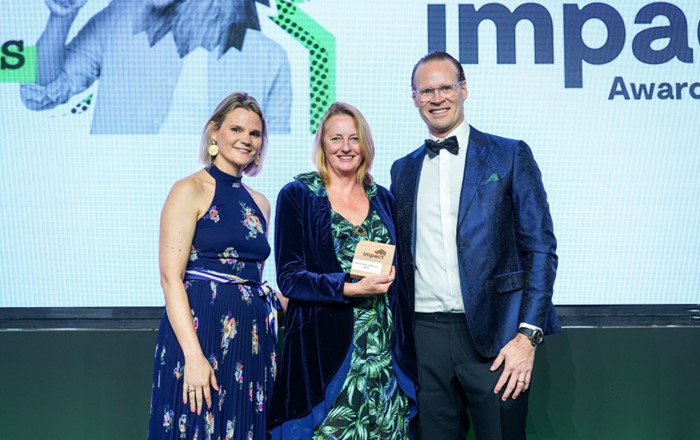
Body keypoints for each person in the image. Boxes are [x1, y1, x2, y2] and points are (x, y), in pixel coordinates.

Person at [390, 51, 561, 439]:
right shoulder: (402, 170)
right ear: (414, 98)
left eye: (446, 87)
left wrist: (528, 335)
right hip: (424, 337)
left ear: (464, 90)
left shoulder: (510, 154)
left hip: (499, 338)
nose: (437, 98)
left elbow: (541, 250)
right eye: (426, 90)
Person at [268, 102, 418, 438]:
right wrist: (349, 287)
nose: (346, 147)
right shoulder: (299, 195)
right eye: (336, 138)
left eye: (354, 138)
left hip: (382, 358)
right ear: (322, 144)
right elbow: (290, 277)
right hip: (327, 359)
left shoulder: (384, 199)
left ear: (365, 144)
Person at [148, 92, 281, 439]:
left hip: (251, 343)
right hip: (201, 337)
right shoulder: (188, 190)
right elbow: (170, 278)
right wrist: (193, 357)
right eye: (236, 129)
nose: (246, 139)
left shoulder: (261, 204)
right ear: (213, 133)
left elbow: (251, 280)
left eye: (254, 134)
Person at [20, 0, 291, 135]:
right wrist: (61, 16)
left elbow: (274, 159)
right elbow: (42, 91)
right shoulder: (122, 15)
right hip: (114, 200)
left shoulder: (270, 58)